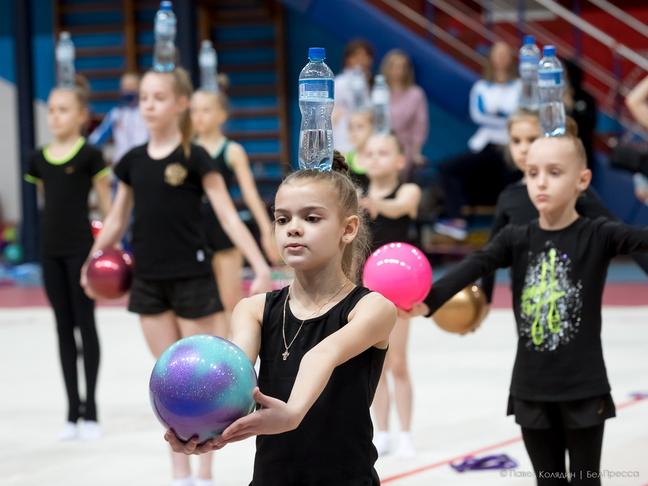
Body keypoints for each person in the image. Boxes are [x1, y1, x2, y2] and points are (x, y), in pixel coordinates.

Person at [411, 135, 648, 486]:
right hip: (531, 390)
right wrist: (427, 301)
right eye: (532, 172)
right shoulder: (516, 238)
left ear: (582, 181)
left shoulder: (598, 234)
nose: (540, 182)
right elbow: (475, 265)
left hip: (583, 387)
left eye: (554, 172)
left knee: (586, 481)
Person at [82, 67, 272, 486]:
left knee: (203, 380)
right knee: (167, 379)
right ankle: (179, 471)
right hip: (149, 281)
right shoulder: (131, 162)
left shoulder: (195, 157)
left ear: (181, 104)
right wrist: (93, 258)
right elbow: (115, 220)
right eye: (145, 98)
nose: (149, 105)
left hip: (192, 278)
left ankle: (205, 471)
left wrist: (259, 264)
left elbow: (227, 214)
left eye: (158, 97)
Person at [165, 153, 397, 486]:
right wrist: (200, 428)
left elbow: (323, 353)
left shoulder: (371, 308)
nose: (293, 229)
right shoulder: (254, 309)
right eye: (282, 219)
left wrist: (292, 414)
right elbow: (232, 377)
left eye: (312, 218)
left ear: (348, 229)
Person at [481, 109, 648, 302]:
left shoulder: (572, 192)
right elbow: (490, 254)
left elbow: (620, 234)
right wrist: (484, 299)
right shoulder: (509, 197)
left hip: (570, 293)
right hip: (526, 296)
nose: (524, 148)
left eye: (532, 139)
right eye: (516, 141)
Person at [24, 77, 112, 440]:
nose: (55, 117)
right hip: (50, 253)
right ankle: (71, 412)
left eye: (63, 110)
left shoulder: (90, 155)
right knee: (62, 328)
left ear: (80, 116)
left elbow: (108, 206)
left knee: (85, 325)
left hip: (81, 252)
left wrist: (105, 249)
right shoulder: (37, 160)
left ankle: (91, 410)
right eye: (52, 110)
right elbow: (47, 203)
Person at [191, 87, 281, 330]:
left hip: (224, 232)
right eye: (194, 110)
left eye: (206, 110)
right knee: (199, 305)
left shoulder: (231, 151)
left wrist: (266, 231)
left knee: (229, 302)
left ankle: (228, 357)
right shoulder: (186, 150)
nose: (199, 116)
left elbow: (250, 196)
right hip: (193, 233)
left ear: (222, 115)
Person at [359, 133, 421, 457]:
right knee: (376, 365)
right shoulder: (358, 196)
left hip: (399, 289)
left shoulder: (408, 189)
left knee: (398, 362)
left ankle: (406, 432)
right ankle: (381, 430)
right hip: (367, 289)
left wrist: (374, 205)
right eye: (370, 152)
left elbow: (400, 208)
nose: (376, 158)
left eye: (384, 153)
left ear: (399, 160)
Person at [435, 41, 521, 241]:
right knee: (447, 169)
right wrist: (503, 115)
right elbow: (478, 116)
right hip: (485, 146)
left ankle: (515, 227)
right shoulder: (481, 86)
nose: (500, 58)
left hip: (511, 147)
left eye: (505, 54)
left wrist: (497, 114)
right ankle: (457, 220)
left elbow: (519, 116)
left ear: (511, 59)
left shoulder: (520, 86)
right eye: (496, 54)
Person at [380, 49, 429, 181]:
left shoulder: (416, 94)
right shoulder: (377, 90)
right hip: (376, 143)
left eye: (402, 67)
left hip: (402, 147)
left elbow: (420, 127)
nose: (398, 71)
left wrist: (416, 152)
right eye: (394, 66)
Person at [88, 72, 148, 164]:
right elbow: (96, 139)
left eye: (131, 86)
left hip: (144, 162)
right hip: (121, 164)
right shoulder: (116, 114)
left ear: (140, 88)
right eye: (124, 87)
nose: (128, 89)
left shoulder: (148, 112)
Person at [333, 39, 375, 153]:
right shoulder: (339, 83)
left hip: (368, 143)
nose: (361, 60)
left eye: (365, 56)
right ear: (348, 59)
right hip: (344, 142)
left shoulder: (375, 83)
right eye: (356, 56)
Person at [563, 59, 597, 171]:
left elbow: (589, 125)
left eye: (563, 74)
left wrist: (571, 107)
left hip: (582, 151)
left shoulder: (587, 98)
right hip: (559, 151)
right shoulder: (551, 100)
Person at [345, 109, 374, 190]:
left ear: (373, 129)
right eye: (350, 127)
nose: (354, 132)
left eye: (360, 127)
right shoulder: (346, 158)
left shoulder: (377, 157)